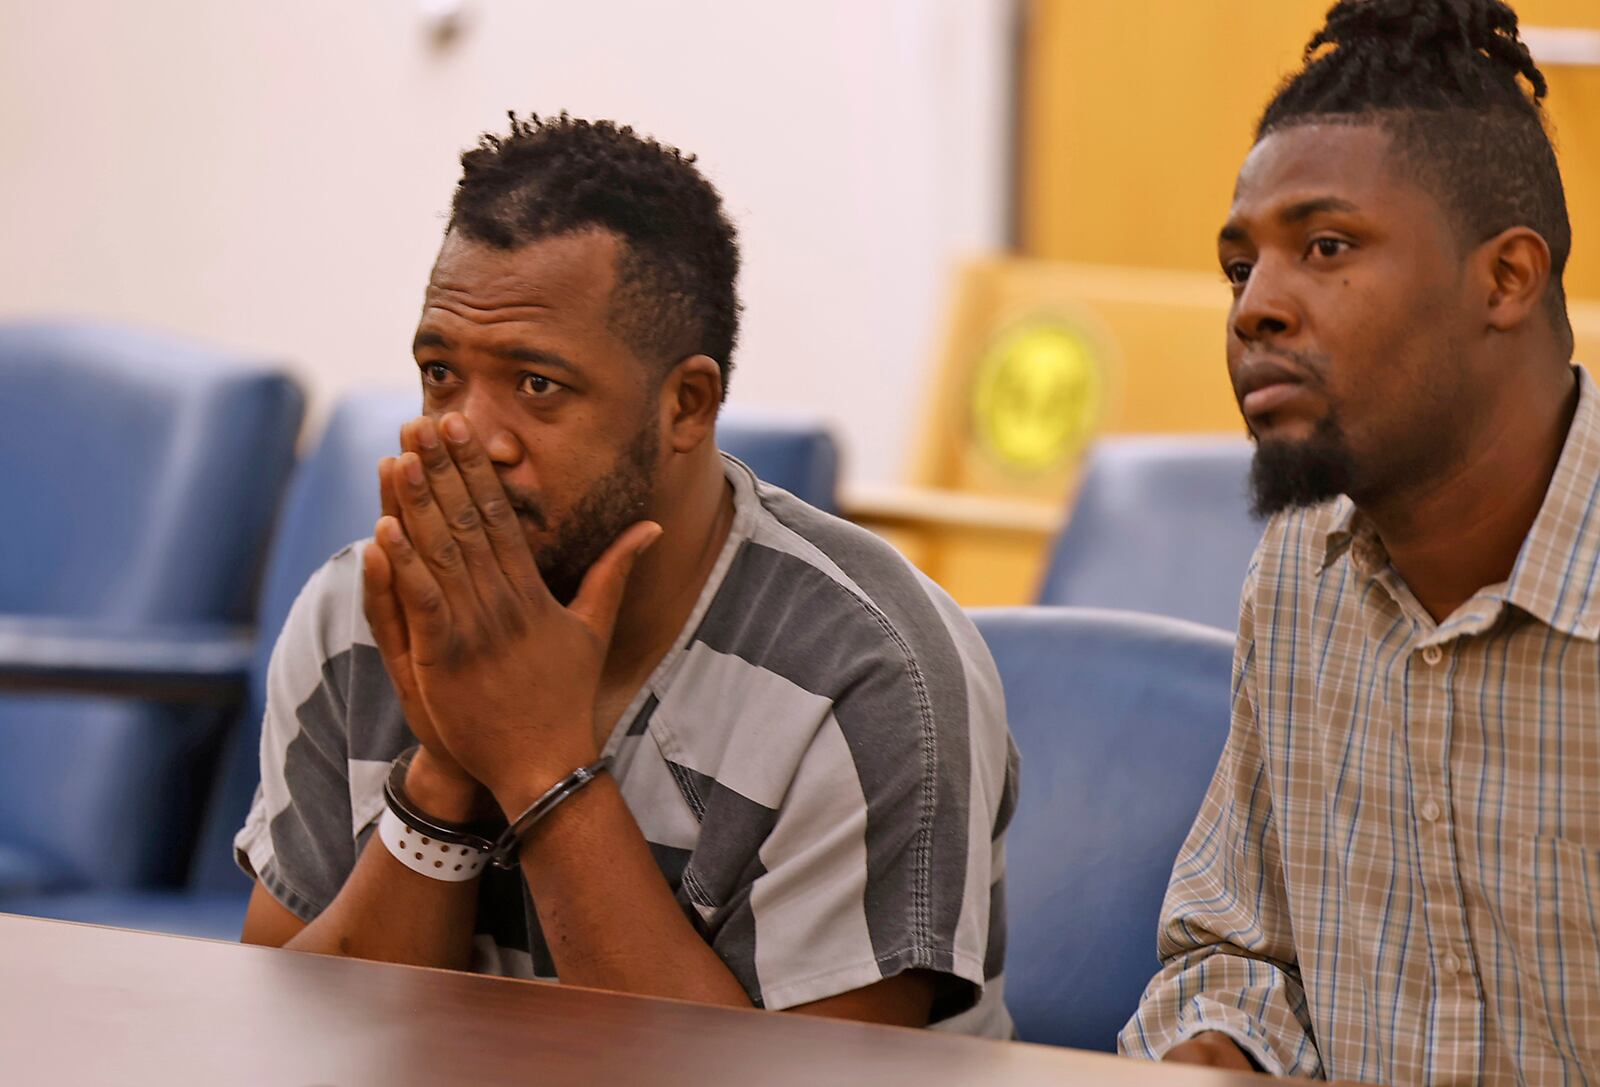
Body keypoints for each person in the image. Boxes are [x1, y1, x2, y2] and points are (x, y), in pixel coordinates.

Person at [234, 114, 1017, 1036]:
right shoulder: (357, 617)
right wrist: (447, 766)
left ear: (687, 404)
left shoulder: (869, 679)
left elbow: (813, 1081)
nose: (467, 436)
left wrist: (536, 760)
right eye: (441, 371)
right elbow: (291, 1038)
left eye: (536, 385)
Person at [1120, 0, 1597, 1080]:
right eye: (1240, 268)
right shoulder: (1299, 571)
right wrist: (1215, 1048)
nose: (1255, 311)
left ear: (1506, 278)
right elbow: (1238, 947)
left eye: (1325, 247)